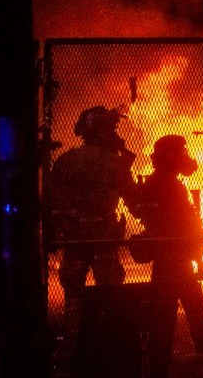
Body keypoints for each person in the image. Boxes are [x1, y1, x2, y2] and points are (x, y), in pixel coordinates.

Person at [129, 134, 203, 378]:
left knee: (178, 310)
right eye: (182, 153)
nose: (186, 158)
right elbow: (180, 222)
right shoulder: (169, 185)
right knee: (181, 310)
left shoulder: (158, 183)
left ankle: (164, 362)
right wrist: (195, 236)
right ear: (170, 157)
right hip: (174, 259)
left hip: (170, 260)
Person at [45, 105, 136, 334]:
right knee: (110, 293)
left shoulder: (67, 160)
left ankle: (72, 342)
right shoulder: (114, 163)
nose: (115, 134)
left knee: (73, 297)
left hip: (75, 237)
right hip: (104, 235)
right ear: (103, 132)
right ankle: (109, 340)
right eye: (111, 129)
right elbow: (133, 197)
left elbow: (54, 198)